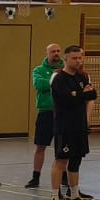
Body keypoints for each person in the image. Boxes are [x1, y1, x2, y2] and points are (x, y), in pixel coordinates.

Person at [49, 45, 97, 200]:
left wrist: (77, 94)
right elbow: (66, 99)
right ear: (66, 59)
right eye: (74, 58)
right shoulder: (59, 78)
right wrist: (81, 94)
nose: (78, 61)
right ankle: (55, 196)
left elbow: (93, 95)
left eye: (80, 58)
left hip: (80, 125)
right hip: (64, 126)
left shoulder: (83, 76)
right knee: (61, 161)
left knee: (76, 160)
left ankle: (75, 195)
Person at [26, 42, 64, 188]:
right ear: (47, 53)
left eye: (58, 51)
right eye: (53, 51)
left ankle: (64, 176)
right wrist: (58, 82)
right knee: (40, 146)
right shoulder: (39, 70)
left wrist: (53, 83)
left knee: (63, 147)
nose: (56, 53)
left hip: (63, 113)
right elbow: (39, 85)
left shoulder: (66, 69)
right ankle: (35, 177)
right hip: (46, 113)